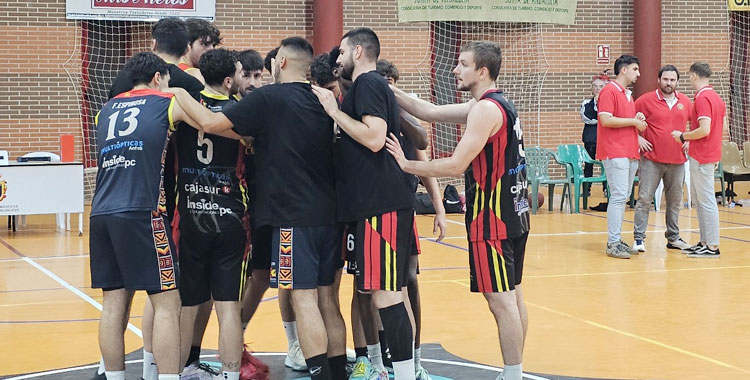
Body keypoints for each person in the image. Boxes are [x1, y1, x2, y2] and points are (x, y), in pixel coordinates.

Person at [166, 36, 348, 380]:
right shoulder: (325, 98)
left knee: (303, 298)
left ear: (279, 62)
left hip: (294, 215)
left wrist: (178, 92)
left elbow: (209, 124)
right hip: (331, 214)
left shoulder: (268, 98)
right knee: (328, 300)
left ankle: (321, 374)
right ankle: (337, 373)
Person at [382, 41, 529, 380]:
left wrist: (407, 165)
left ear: (482, 71)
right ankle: (514, 370)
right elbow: (429, 111)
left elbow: (455, 164)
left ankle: (512, 374)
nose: (454, 69)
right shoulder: (495, 103)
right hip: (514, 213)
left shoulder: (484, 111)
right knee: (515, 297)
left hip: (492, 218)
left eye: (462, 64)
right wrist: (391, 89)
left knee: (501, 302)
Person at [95, 17, 203, 380]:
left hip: (101, 212)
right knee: (167, 303)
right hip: (144, 210)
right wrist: (183, 93)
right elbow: (207, 122)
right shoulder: (163, 102)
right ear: (159, 78)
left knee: (113, 304)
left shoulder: (104, 111)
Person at [314, 27, 418, 380]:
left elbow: (374, 138)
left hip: (383, 204)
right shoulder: (364, 87)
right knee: (382, 293)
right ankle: (402, 369)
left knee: (387, 296)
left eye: (342, 52)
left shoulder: (369, 83)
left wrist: (334, 111)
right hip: (371, 206)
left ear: (358, 52)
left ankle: (404, 373)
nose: (338, 59)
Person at [175, 47, 247, 380]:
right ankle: (230, 375)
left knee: (189, 302)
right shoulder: (239, 111)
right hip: (230, 217)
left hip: (191, 216)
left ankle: (181, 369)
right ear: (229, 79)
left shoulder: (183, 106)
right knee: (228, 306)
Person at [377, 59, 447, 380]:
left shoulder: (400, 114)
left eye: (390, 82)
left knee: (409, 280)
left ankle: (415, 359)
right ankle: (378, 357)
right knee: (374, 289)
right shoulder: (366, 112)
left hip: (403, 207)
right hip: (375, 208)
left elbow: (422, 146)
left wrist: (439, 207)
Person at [632, 65, 693, 253]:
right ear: (659, 80)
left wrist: (690, 140)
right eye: (666, 79)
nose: (669, 83)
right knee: (644, 199)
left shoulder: (685, 101)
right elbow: (628, 118)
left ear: (677, 82)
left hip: (677, 160)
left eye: (673, 80)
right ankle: (639, 239)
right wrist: (637, 137)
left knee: (674, 201)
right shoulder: (645, 100)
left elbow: (698, 123)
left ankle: (673, 238)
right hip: (651, 160)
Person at [671, 62, 726, 258]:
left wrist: (683, 136)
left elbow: (705, 129)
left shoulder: (703, 98)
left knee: (706, 201)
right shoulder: (716, 98)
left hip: (703, 155)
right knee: (702, 201)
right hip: (707, 154)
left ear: (694, 75)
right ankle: (704, 242)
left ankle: (712, 245)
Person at [596, 55, 647, 259]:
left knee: (623, 197)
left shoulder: (627, 94)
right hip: (614, 151)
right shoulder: (609, 90)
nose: (638, 74)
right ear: (623, 70)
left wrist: (636, 119)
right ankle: (613, 242)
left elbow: (624, 120)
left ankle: (616, 239)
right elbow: (606, 119)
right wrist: (633, 122)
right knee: (618, 197)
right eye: (635, 69)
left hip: (628, 151)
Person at [580, 73, 608, 196]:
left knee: (607, 166)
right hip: (591, 139)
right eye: (595, 86)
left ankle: (607, 189)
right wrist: (602, 118)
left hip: (605, 140)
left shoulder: (609, 102)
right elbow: (587, 118)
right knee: (588, 165)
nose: (597, 89)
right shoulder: (586, 103)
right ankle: (586, 190)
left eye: (601, 86)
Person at [179, 18, 222, 84]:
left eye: (213, 45)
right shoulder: (192, 74)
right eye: (205, 44)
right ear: (187, 44)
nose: (211, 49)